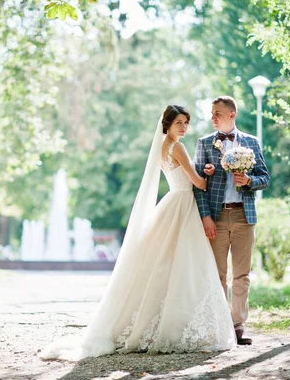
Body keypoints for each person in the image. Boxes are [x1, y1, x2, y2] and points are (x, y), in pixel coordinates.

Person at [39, 105, 236, 361]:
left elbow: (185, 175)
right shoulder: (177, 146)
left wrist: (202, 173)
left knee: (166, 265)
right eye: (179, 122)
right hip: (183, 205)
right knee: (187, 265)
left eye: (186, 122)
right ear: (167, 124)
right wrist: (215, 171)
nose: (184, 127)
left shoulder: (162, 146)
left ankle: (158, 322)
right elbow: (197, 183)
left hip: (171, 202)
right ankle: (174, 325)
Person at [194, 96, 270, 346]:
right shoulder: (205, 142)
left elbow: (265, 179)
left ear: (232, 115)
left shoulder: (252, 142)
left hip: (243, 215)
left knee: (242, 274)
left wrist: (249, 181)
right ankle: (218, 324)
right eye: (212, 113)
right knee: (217, 274)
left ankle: (237, 325)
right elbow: (197, 186)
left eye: (217, 113)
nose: (213, 117)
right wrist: (205, 216)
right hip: (215, 216)